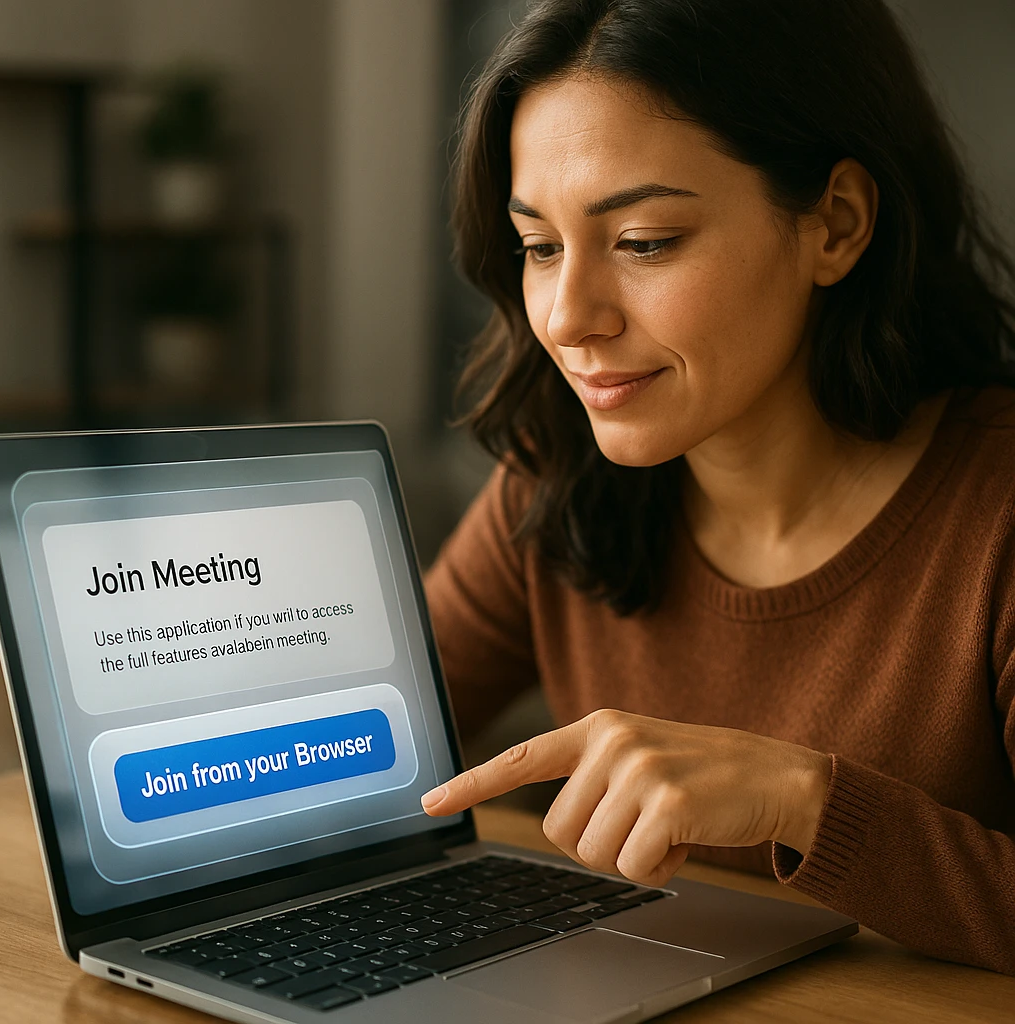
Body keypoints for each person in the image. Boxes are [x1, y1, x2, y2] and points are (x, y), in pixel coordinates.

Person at [419, 0, 1015, 976]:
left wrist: (806, 798)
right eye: (538, 245)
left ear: (836, 224)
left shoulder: (993, 514)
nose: (567, 319)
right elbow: (371, 757)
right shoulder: (555, 478)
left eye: (645, 241)